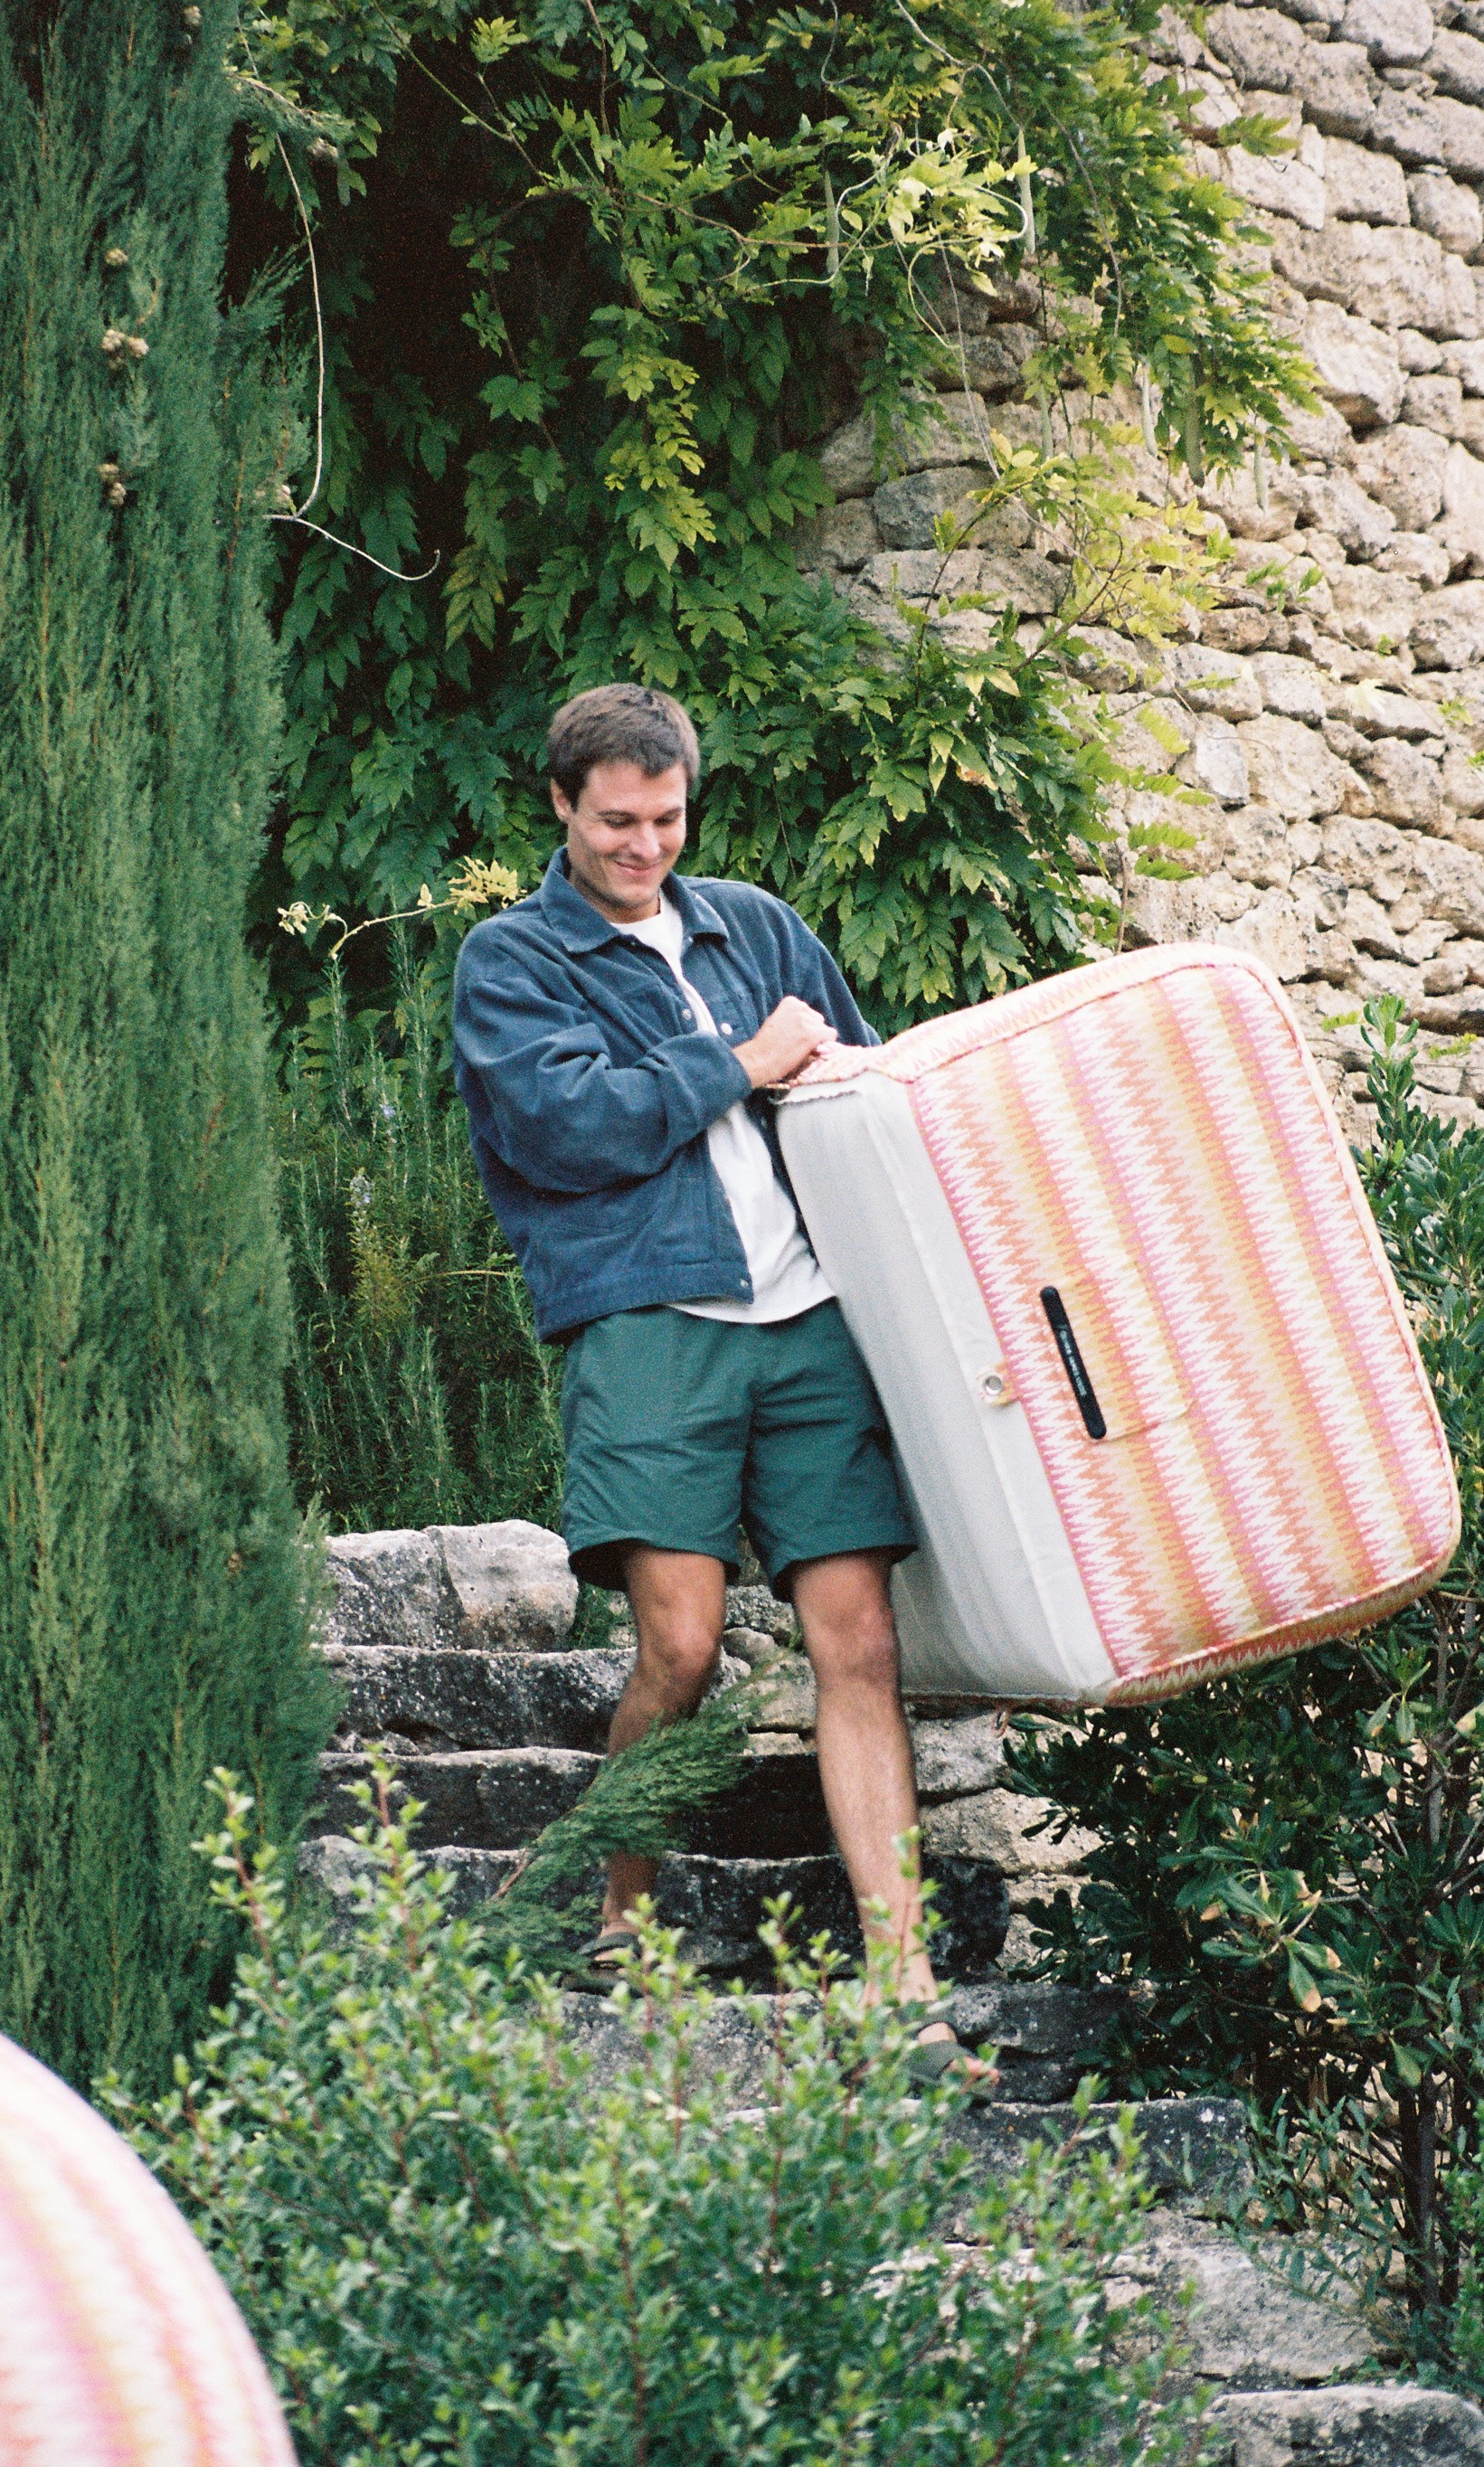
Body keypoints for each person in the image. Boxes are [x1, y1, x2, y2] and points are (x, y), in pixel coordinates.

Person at [453, 683, 993, 2088]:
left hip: (812, 1321)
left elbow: (865, 1086)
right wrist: (739, 1062)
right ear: (559, 806)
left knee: (858, 1642)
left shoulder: (754, 925)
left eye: (666, 818)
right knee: (682, 1650)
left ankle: (904, 1990)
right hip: (651, 1324)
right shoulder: (512, 961)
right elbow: (567, 1128)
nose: (643, 847)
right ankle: (618, 1921)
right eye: (615, 822)